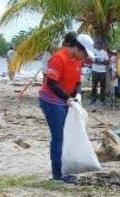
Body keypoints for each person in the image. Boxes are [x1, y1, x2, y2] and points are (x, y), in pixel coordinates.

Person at [38, 33, 95, 183]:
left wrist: (77, 95)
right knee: (59, 137)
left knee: (66, 135)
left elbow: (77, 82)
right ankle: (58, 174)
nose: (84, 57)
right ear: (77, 47)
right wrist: (67, 98)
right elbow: (52, 83)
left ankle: (64, 169)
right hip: (51, 101)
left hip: (65, 101)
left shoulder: (78, 61)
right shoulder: (58, 58)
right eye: (84, 53)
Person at [90, 41, 109, 106]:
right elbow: (90, 59)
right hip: (94, 71)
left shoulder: (104, 52)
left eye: (99, 44)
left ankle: (102, 100)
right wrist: (95, 61)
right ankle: (93, 99)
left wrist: (100, 62)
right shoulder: (93, 51)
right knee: (94, 86)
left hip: (102, 72)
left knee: (102, 86)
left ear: (101, 45)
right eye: (97, 44)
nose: (98, 45)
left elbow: (107, 62)